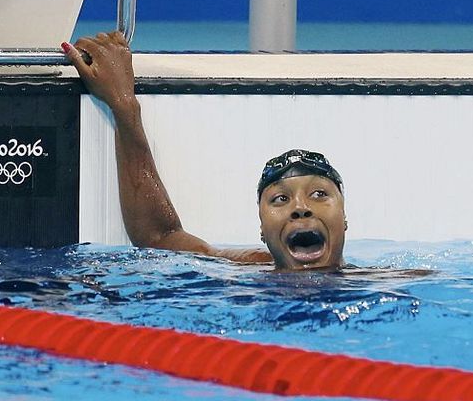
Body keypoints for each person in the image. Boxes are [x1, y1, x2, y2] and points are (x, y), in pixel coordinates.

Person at [62, 32, 348, 272]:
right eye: (280, 198)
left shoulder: (387, 283)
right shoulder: (249, 268)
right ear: (262, 229)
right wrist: (123, 105)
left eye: (319, 194)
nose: (300, 208)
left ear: (344, 218)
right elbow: (160, 237)